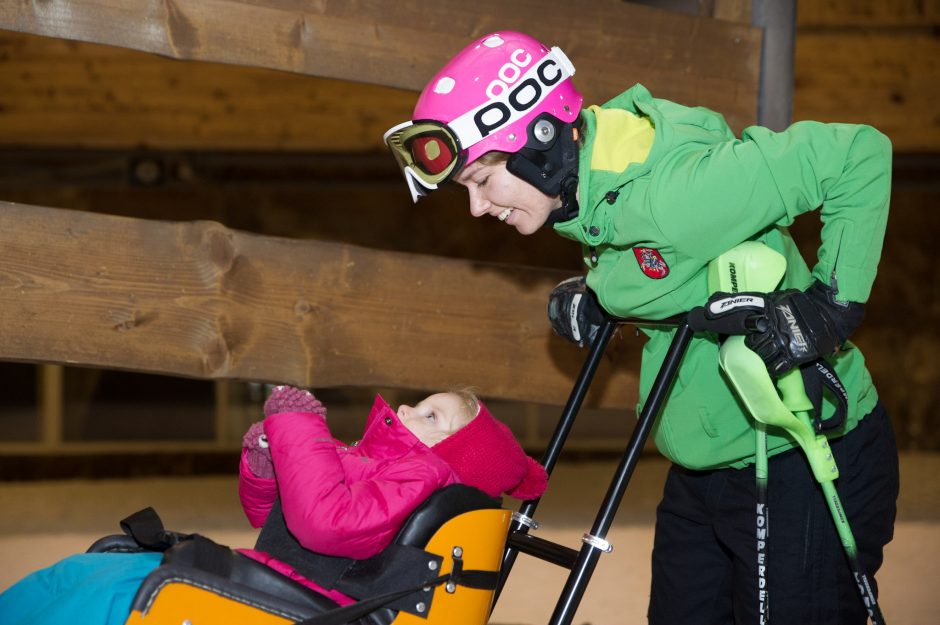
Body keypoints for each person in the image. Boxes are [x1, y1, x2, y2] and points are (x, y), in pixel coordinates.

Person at [384, 30, 898, 625]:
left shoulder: (675, 194)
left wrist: (828, 307)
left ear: (539, 144)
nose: (476, 208)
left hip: (799, 456)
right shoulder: (595, 188)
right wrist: (605, 295)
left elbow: (859, 153)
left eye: (481, 181)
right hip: (705, 466)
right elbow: (673, 264)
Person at [0, 385, 547, 625]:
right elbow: (275, 521)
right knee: (87, 570)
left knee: (114, 593)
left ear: (447, 453)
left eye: (431, 416)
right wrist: (266, 465)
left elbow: (326, 526)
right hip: (278, 572)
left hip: (316, 601)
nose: (407, 406)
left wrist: (299, 426)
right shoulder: (373, 462)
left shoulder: (420, 475)